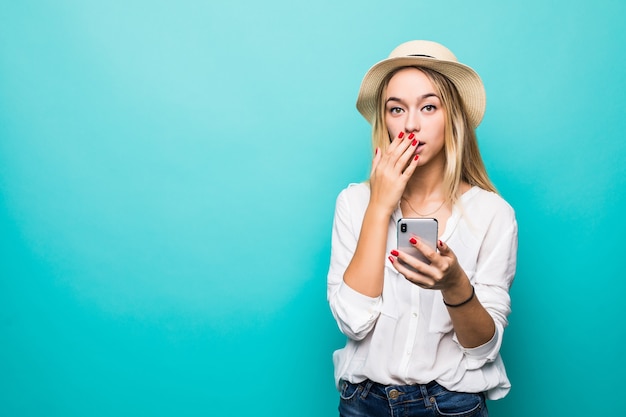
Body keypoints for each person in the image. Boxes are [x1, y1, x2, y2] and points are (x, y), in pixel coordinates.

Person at [327, 40, 518, 417]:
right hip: (362, 403)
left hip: (451, 405)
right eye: (396, 109)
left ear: (453, 118)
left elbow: (482, 349)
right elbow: (353, 322)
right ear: (384, 120)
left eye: (428, 107)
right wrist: (380, 206)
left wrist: (455, 286)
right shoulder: (353, 203)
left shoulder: (493, 214)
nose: (410, 124)